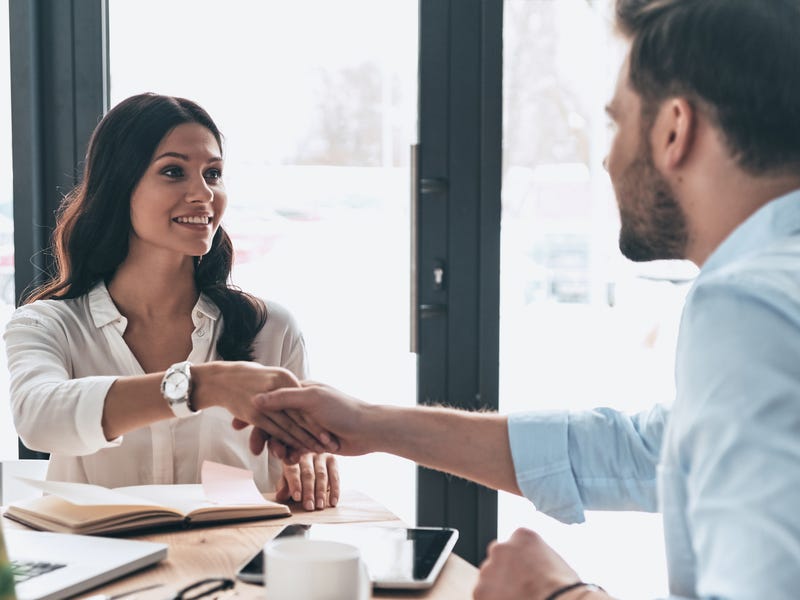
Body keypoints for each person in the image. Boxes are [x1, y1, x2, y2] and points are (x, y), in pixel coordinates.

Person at [251, 0, 800, 598]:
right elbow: (646, 452)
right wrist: (370, 424)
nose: (607, 157)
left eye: (617, 123)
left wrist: (558, 593)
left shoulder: (749, 308)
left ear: (674, 129)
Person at [5, 93, 338, 512]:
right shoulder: (46, 325)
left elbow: (299, 456)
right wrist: (202, 385)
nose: (203, 194)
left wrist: (308, 457)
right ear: (119, 187)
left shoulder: (270, 328)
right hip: (100, 567)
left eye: (213, 174)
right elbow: (39, 419)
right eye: (173, 171)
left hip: (232, 565)